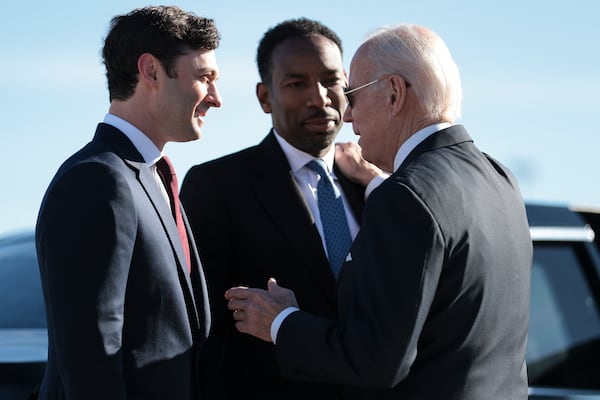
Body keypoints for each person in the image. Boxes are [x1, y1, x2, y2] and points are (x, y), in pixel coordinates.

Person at [225, 23, 533, 399]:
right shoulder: (499, 178)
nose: (347, 116)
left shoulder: (405, 196)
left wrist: (281, 322)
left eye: (351, 95)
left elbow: (376, 360)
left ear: (393, 93)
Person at [180, 18, 382, 399]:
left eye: (331, 80)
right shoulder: (217, 186)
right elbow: (205, 333)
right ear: (265, 97)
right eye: (296, 83)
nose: (319, 97)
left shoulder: (374, 186)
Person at [35, 6, 222, 399]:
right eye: (205, 78)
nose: (216, 99)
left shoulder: (153, 178)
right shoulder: (97, 180)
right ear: (151, 70)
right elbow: (91, 359)